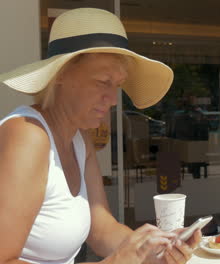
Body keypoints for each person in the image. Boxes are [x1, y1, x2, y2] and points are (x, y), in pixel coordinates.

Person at [0, 8, 201, 264]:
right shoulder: (28, 135)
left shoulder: (79, 137)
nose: (113, 100)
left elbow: (101, 229)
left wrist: (154, 251)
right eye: (102, 81)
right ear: (60, 74)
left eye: (117, 85)